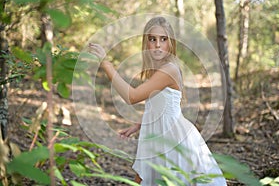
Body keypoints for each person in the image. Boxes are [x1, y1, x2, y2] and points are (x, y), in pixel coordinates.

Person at [89, 16, 227, 185]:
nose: (157, 45)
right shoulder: (157, 70)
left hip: (173, 136)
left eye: (163, 39)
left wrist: (106, 64)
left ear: (171, 43)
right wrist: (140, 124)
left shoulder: (169, 70)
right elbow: (160, 104)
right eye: (152, 39)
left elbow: (132, 97)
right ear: (146, 43)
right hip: (156, 132)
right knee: (145, 179)